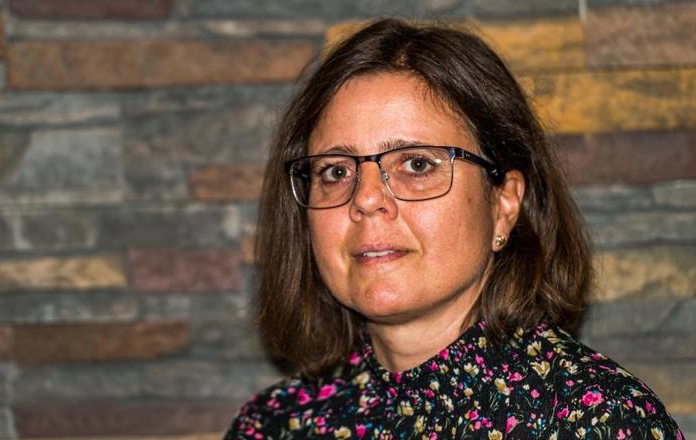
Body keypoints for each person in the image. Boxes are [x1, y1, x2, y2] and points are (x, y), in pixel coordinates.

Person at [225, 18, 683, 439]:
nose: (365, 199)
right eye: (336, 171)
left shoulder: (600, 422)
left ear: (503, 204)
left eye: (416, 164)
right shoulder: (273, 425)